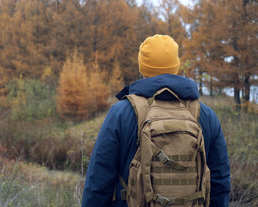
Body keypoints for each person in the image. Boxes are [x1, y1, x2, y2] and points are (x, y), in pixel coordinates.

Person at [81, 35, 230, 207]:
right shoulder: (205, 115)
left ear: (142, 68)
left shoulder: (121, 113)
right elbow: (220, 182)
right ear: (176, 66)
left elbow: (99, 182)